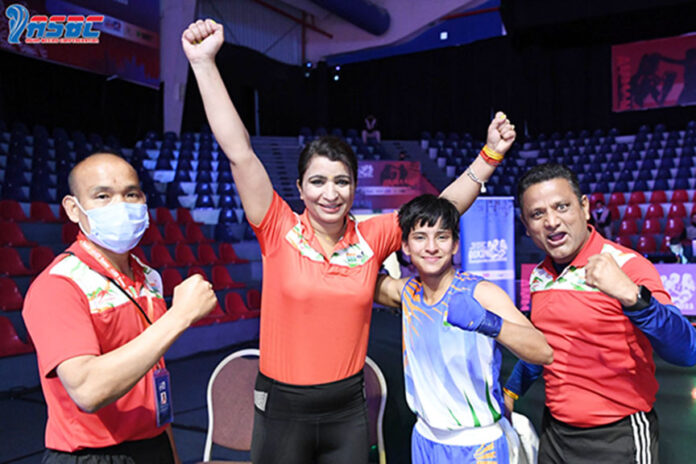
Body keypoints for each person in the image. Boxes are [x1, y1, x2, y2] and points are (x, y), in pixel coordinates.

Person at [182, 18, 515, 464]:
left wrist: (489, 156)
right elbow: (239, 150)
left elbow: (441, 208)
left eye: (341, 181)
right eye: (317, 181)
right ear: (299, 189)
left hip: (346, 410)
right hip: (282, 409)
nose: (330, 192)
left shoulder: (373, 235)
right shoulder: (276, 226)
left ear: (354, 188)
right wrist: (204, 64)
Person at [23, 153, 218, 463]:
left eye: (131, 194)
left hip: (153, 445)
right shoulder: (58, 284)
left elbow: (153, 375)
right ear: (74, 209)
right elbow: (88, 390)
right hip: (92, 455)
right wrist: (179, 316)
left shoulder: (149, 277)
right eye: (102, 196)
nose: (121, 206)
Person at [504, 163, 696, 463]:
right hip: (555, 434)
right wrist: (512, 390)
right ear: (526, 227)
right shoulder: (539, 275)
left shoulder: (628, 266)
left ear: (585, 207)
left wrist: (633, 298)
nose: (551, 222)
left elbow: (687, 351)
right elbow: (545, 346)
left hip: (619, 438)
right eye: (537, 214)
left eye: (562, 207)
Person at [373, 194, 553, 464]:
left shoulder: (480, 292)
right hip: (424, 438)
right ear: (406, 246)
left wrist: (489, 323)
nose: (431, 247)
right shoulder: (406, 291)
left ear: (455, 244)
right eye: (420, 237)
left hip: (477, 444)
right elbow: (360, 279)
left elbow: (542, 351)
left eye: (442, 237)